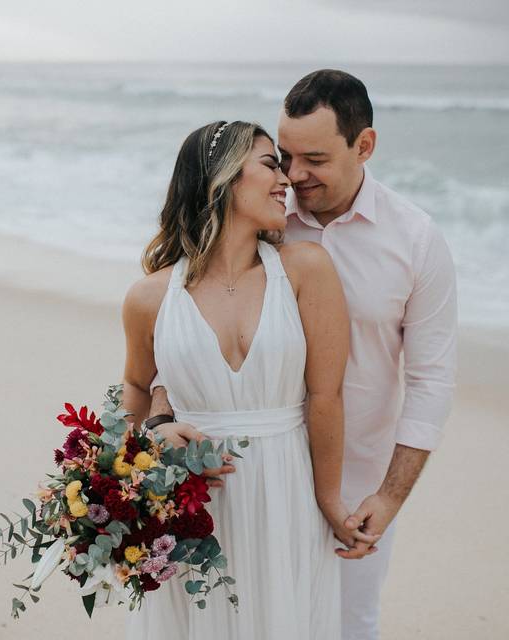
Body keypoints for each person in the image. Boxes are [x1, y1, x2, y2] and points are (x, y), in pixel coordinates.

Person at [148, 70, 459, 640]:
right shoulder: (260, 217)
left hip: (361, 468)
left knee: (345, 621)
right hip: (257, 466)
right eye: (284, 155)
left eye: (313, 158)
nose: (293, 175)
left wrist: (388, 496)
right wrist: (161, 418)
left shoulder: (415, 240)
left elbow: (432, 380)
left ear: (363, 146)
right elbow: (180, 337)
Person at [121, 120, 372, 638]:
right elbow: (136, 389)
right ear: (222, 178)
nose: (286, 180)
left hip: (287, 491)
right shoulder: (149, 297)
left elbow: (326, 396)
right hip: (194, 502)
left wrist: (328, 499)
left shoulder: (304, 269)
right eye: (270, 164)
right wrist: (153, 435)